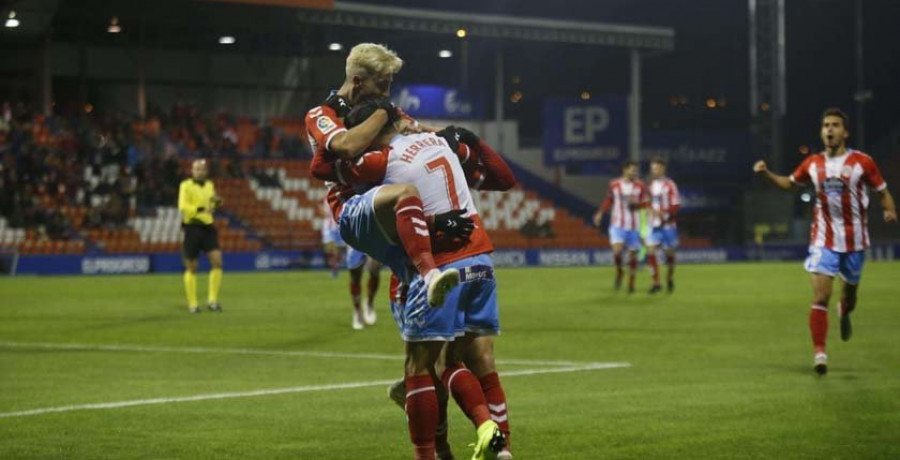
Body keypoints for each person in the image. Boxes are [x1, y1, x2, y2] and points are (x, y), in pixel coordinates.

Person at [331, 106, 516, 459]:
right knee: (481, 361)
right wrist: (469, 137)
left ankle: (436, 450)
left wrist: (335, 138)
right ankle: (503, 448)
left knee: (425, 367)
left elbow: (327, 166)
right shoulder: (442, 143)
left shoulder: (381, 161)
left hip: (438, 267)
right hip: (481, 260)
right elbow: (504, 178)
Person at [304, 43, 461, 309]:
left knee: (419, 296)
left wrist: (455, 137)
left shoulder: (381, 108)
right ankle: (429, 273)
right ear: (357, 81)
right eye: (381, 84)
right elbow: (347, 146)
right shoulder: (321, 114)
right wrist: (384, 112)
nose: (387, 93)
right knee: (406, 192)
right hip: (351, 210)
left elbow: (420, 129)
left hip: (384, 210)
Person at [753, 107, 896, 375]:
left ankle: (845, 309)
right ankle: (820, 353)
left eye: (835, 125)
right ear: (821, 131)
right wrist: (767, 174)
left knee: (850, 296)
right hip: (823, 239)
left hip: (854, 241)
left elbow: (883, 191)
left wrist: (890, 210)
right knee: (821, 294)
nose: (829, 130)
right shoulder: (813, 164)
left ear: (845, 132)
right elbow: (790, 184)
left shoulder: (862, 162)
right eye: (826, 125)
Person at [593, 161, 648, 293]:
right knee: (617, 252)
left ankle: (631, 283)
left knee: (633, 256)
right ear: (625, 170)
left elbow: (646, 204)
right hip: (617, 224)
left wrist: (637, 206)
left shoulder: (640, 186)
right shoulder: (614, 184)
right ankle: (619, 272)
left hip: (634, 226)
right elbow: (609, 200)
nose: (635, 173)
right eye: (632, 170)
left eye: (636, 171)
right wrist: (600, 213)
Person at [177, 159, 224, 314]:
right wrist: (202, 209)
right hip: (192, 226)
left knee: (217, 261)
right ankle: (193, 304)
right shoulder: (185, 185)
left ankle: (212, 301)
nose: (200, 172)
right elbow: (183, 206)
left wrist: (217, 204)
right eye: (197, 169)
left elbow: (212, 205)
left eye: (202, 169)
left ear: (206, 171)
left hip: (208, 226)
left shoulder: (210, 185)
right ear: (192, 171)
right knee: (192, 267)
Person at [646, 157, 680, 294]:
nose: (654, 171)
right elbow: (647, 203)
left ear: (662, 169)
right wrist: (648, 210)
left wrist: (663, 214)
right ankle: (656, 282)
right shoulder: (650, 186)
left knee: (669, 254)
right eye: (652, 169)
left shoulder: (670, 185)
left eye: (656, 168)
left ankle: (670, 277)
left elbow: (676, 205)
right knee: (650, 251)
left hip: (668, 225)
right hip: (653, 225)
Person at [347, 248, 381, 328]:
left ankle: (369, 303)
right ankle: (357, 311)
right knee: (355, 276)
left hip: (373, 239)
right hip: (354, 240)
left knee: (375, 269)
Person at [320, 197, 345, 280]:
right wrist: (323, 212)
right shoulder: (325, 197)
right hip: (328, 228)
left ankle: (335, 267)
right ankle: (334, 268)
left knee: (338, 252)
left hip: (338, 226)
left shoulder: (340, 196)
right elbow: (319, 203)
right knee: (330, 250)